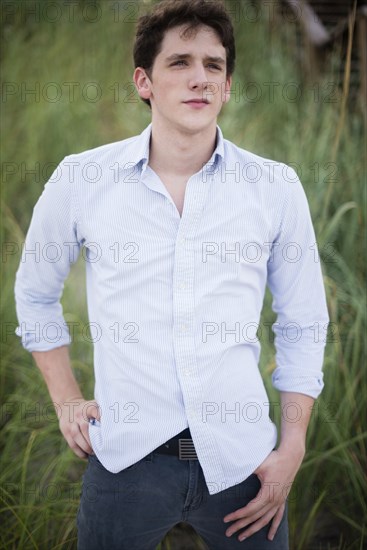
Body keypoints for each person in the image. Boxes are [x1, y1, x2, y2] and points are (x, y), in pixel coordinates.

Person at [14, 1, 329, 548]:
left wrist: (293, 444)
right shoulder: (83, 179)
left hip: (245, 465)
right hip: (126, 463)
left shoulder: (275, 188)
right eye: (180, 62)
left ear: (228, 86)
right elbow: (35, 295)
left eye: (213, 65)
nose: (200, 78)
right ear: (145, 81)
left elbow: (303, 322)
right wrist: (66, 399)